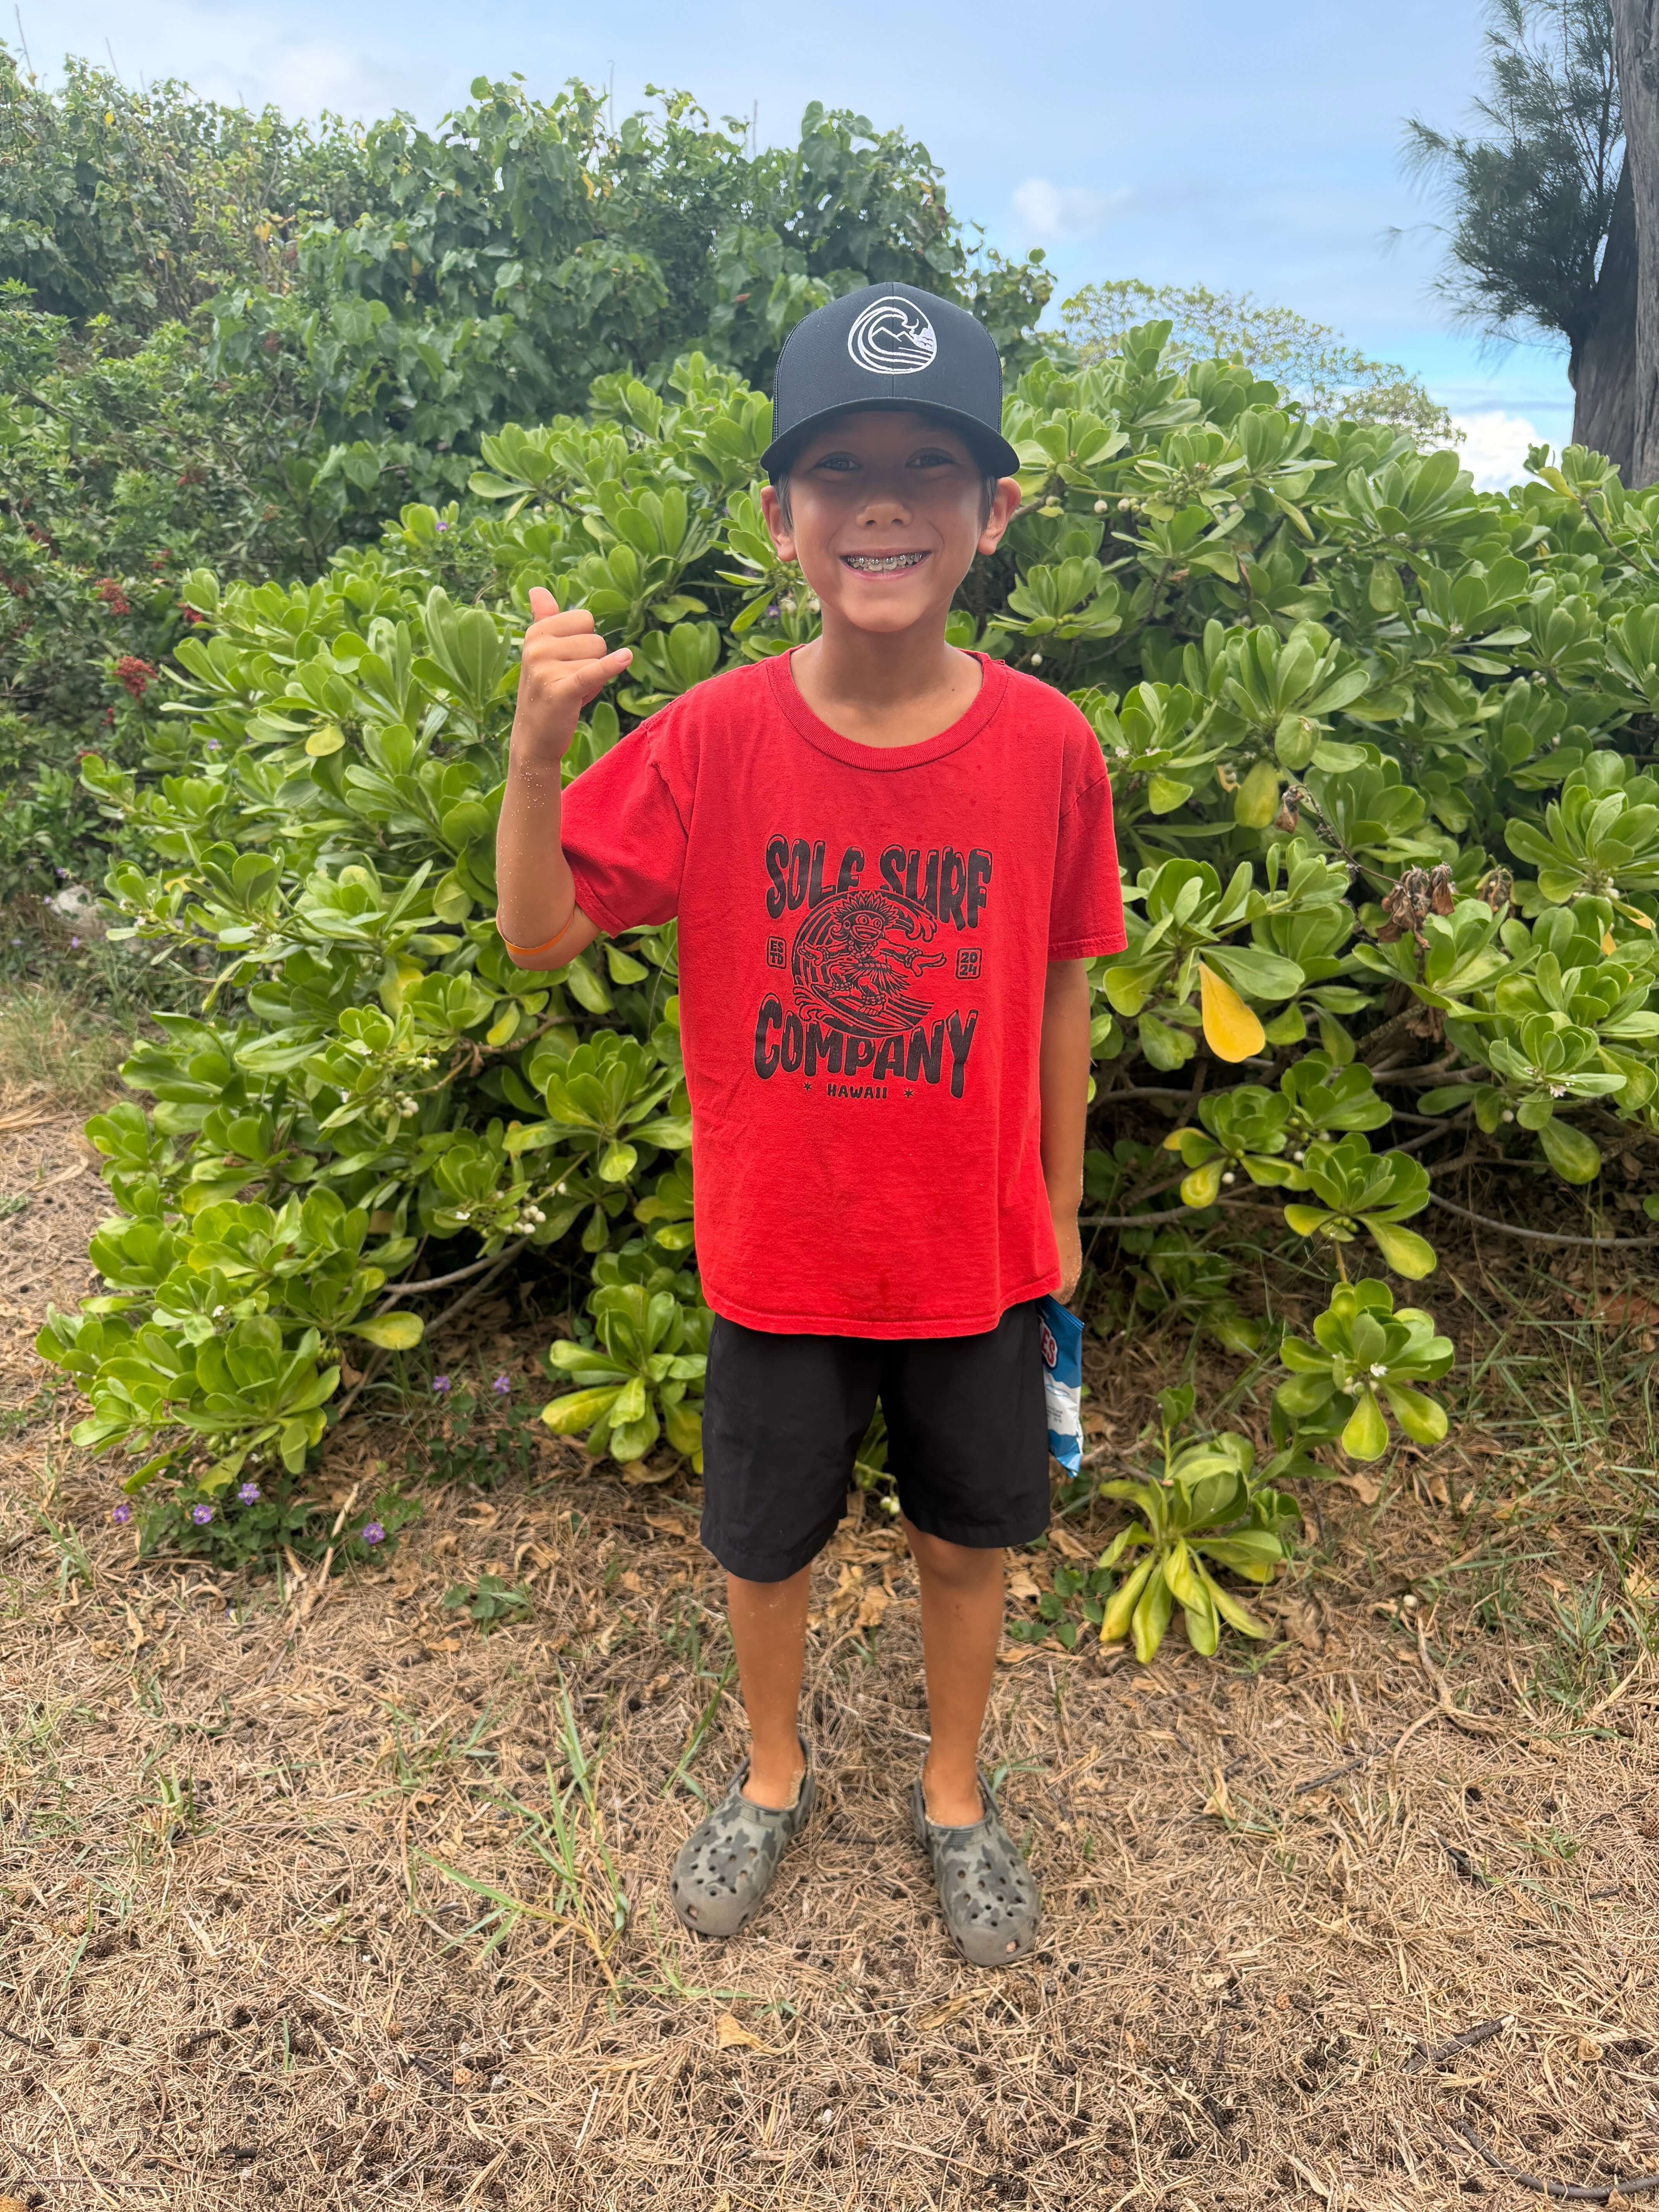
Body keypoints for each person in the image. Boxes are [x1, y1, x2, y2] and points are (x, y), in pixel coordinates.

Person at [493, 282, 1125, 1966]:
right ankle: (771, 1777)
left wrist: (1057, 1207)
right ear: (785, 519)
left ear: (992, 514)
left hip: (974, 1252)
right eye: (840, 468)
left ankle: (957, 1795)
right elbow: (543, 932)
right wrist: (539, 758)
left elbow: (1063, 984)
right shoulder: (710, 740)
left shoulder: (1053, 748)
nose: (887, 500)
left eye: (932, 464)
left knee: (967, 1544)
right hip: (777, 1249)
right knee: (765, 1550)